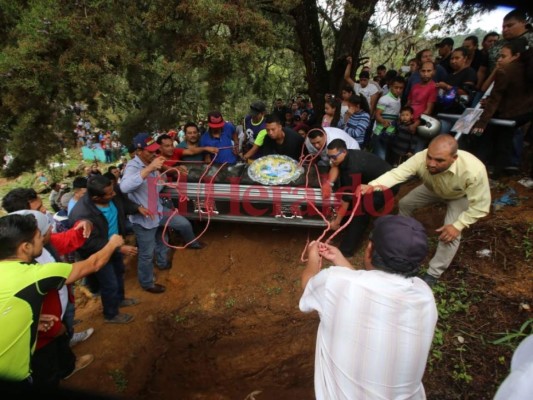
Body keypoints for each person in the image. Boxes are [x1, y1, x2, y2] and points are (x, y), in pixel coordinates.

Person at [300, 214, 438, 400]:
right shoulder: (424, 295)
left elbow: (308, 284)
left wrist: (312, 258)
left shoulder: (335, 281)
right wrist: (339, 259)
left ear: (369, 249)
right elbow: (369, 288)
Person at [0, 213, 123, 384]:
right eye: (39, 236)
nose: (43, 238)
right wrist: (113, 243)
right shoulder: (34, 275)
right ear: (25, 247)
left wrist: (30, 320)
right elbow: (93, 264)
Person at [360, 134, 491, 286]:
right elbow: (398, 173)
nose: (431, 164)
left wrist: (459, 225)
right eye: (429, 157)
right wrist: (373, 185)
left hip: (458, 196)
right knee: (405, 204)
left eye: (439, 160)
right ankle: (402, 237)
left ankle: (433, 273)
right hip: (433, 189)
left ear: (454, 158)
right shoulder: (421, 157)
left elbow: (481, 206)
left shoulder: (473, 170)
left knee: (450, 235)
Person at [119, 133, 204, 294]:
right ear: (139, 151)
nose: (154, 154)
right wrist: (150, 168)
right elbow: (124, 188)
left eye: (155, 150)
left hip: (158, 209)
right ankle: (147, 283)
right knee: (147, 253)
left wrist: (173, 170)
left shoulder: (153, 162)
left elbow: (158, 179)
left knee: (180, 225)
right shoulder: (133, 167)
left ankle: (187, 247)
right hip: (144, 218)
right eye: (150, 151)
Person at [69, 175, 143, 324]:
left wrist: (137, 208)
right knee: (109, 282)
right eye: (110, 194)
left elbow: (123, 203)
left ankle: (120, 299)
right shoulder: (81, 214)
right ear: (96, 198)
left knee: (119, 272)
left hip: (116, 245)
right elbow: (89, 243)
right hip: (98, 252)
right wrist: (118, 247)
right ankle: (111, 314)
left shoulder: (111, 192)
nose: (114, 194)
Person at [471, 39, 533, 179]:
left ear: (516, 56)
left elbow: (495, 99)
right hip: (524, 114)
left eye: (503, 56)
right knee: (503, 137)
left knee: (492, 136)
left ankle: (486, 169)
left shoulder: (507, 71)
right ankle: (498, 170)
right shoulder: (523, 69)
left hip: (510, 115)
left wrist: (482, 122)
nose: (499, 59)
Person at [326, 139, 397, 257]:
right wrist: (328, 184)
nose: (331, 160)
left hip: (387, 187)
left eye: (334, 157)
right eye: (329, 157)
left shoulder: (352, 168)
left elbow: (347, 198)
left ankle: (345, 251)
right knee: (352, 203)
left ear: (344, 152)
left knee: (361, 212)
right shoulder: (347, 157)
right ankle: (344, 227)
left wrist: (337, 221)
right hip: (371, 181)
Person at [371, 76, 405, 161]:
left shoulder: (399, 99)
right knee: (380, 159)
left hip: (391, 134)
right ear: (390, 87)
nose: (398, 90)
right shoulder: (384, 99)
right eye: (396, 87)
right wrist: (383, 121)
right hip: (380, 133)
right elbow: (377, 115)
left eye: (401, 88)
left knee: (387, 159)